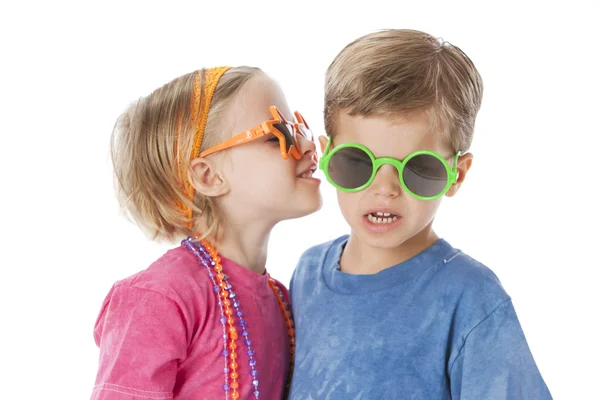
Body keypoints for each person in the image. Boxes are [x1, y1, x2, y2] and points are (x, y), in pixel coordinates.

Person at [289, 29, 552, 399]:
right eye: (357, 163)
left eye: (418, 169)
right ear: (326, 155)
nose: (385, 189)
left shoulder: (470, 298)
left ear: (456, 175)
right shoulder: (307, 273)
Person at [91, 66, 321, 400]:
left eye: (301, 127)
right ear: (209, 175)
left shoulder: (284, 302)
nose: (307, 145)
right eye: (277, 135)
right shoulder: (159, 298)